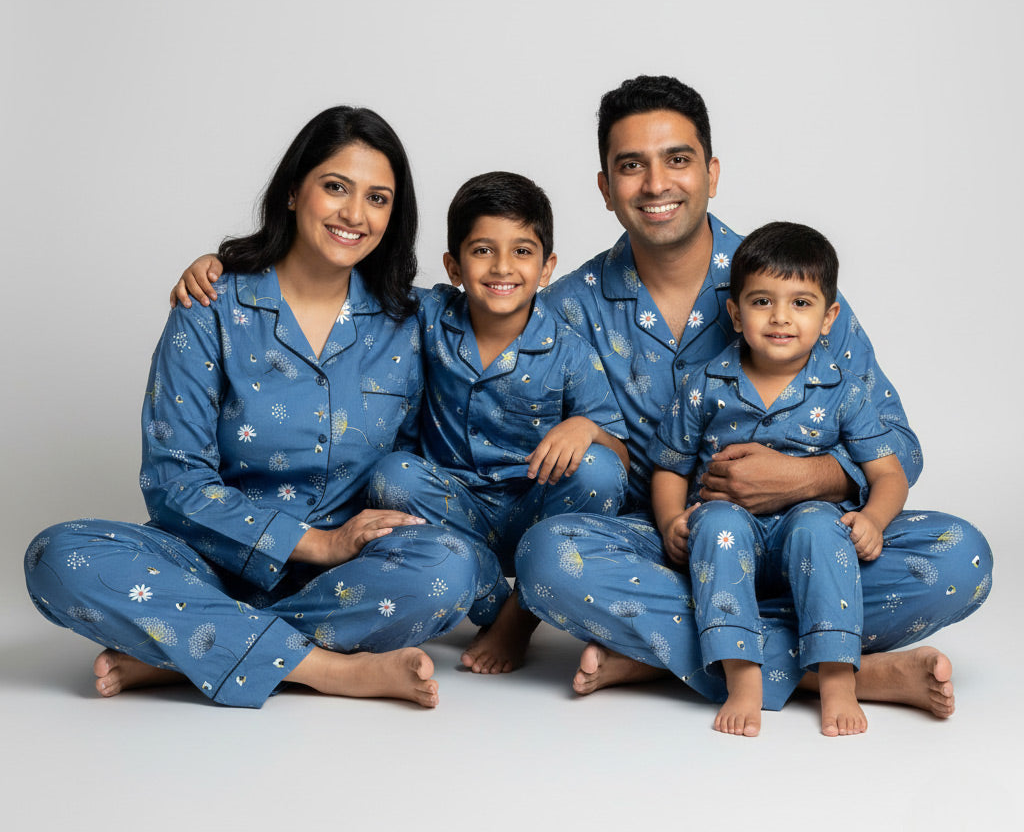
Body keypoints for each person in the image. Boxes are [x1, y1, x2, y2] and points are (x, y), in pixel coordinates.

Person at [513, 75, 992, 720]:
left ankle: (672, 656)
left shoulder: (787, 281)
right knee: (547, 557)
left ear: (711, 172)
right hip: (670, 547)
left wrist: (807, 478)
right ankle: (831, 669)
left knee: (962, 556)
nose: (656, 184)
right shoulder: (569, 308)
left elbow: (898, 447)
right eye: (632, 166)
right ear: (605, 187)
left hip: (816, 543)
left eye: (677, 160)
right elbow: (545, 466)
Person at [24, 105, 493, 709]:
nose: (355, 214)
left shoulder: (414, 319)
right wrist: (315, 543)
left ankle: (188, 649)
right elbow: (173, 482)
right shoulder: (211, 306)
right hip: (204, 561)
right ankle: (326, 669)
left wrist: (594, 424)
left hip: (348, 576)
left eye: (378, 199)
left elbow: (514, 296)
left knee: (447, 569)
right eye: (335, 187)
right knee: (57, 556)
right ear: (294, 191)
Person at [651, 221, 908, 737]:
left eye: (801, 303)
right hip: (728, 528)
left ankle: (837, 677)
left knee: (819, 524)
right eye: (762, 301)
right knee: (717, 520)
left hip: (809, 536)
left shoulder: (844, 389)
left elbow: (890, 473)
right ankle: (742, 676)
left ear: (829, 316)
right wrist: (670, 522)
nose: (780, 318)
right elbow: (669, 465)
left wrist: (875, 520)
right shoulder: (705, 384)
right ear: (734, 312)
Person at [367, 171, 629, 674]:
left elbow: (620, 460)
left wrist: (587, 429)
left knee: (599, 470)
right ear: (454, 265)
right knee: (391, 475)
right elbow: (349, 282)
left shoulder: (569, 350)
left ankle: (517, 618)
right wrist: (228, 263)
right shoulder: (427, 315)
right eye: (483, 250)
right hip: (452, 513)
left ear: (548, 266)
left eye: (522, 252)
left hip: (536, 510)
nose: (503, 267)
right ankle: (489, 594)